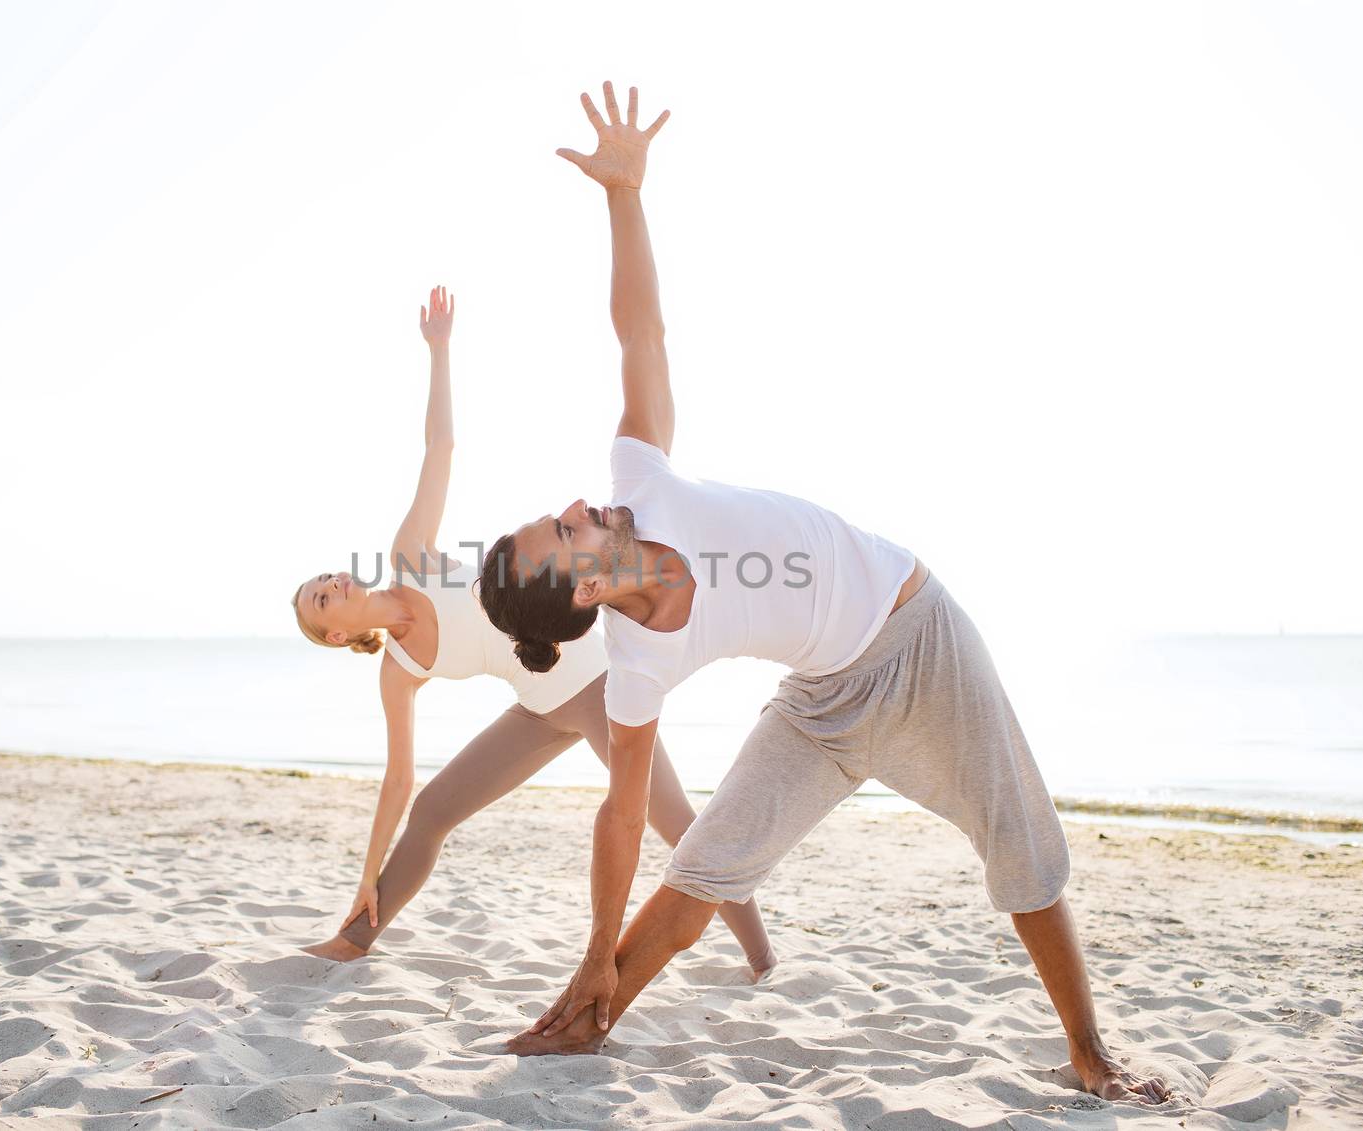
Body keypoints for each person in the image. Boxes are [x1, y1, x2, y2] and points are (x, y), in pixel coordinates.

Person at [475, 83, 1170, 1105]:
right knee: (706, 865)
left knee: (1019, 839)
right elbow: (620, 820)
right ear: (577, 592)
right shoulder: (636, 664)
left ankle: (1088, 1050)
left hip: (918, 636)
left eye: (565, 509)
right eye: (563, 529)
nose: (580, 506)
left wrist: (623, 196)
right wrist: (594, 955)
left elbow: (641, 335)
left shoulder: (644, 481)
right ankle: (589, 1018)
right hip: (820, 703)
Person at [292, 284, 775, 975]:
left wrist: (439, 351)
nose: (331, 584)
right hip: (539, 705)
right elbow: (397, 783)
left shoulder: (408, 557)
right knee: (431, 809)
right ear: (335, 633)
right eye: (319, 599)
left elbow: (442, 444)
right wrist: (365, 873)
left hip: (589, 680)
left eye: (323, 579)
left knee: (675, 823)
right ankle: (353, 937)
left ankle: (762, 959)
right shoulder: (396, 670)